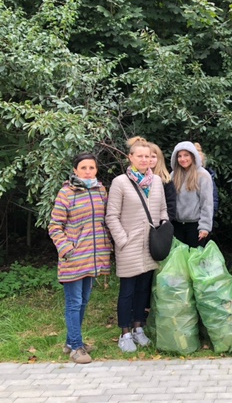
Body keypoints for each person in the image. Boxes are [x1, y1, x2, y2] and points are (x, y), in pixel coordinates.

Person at [106, 137, 168, 353]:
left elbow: (162, 210)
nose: (143, 159)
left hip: (150, 244)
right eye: (139, 156)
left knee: (143, 289)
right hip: (129, 245)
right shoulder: (120, 182)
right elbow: (111, 216)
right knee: (127, 291)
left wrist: (163, 231)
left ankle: (138, 327)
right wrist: (122, 240)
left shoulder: (157, 182)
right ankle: (124, 333)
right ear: (130, 157)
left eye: (146, 156)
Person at [49, 152, 112, 364]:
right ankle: (77, 347)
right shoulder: (66, 193)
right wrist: (66, 248)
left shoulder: (100, 190)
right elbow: (55, 226)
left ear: (96, 170)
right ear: (75, 170)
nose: (88, 172)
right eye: (83, 168)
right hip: (74, 257)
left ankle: (71, 342)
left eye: (91, 168)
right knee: (74, 303)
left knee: (83, 301)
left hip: (93, 257)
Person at [169, 141, 214, 248]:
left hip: (195, 225)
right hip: (177, 224)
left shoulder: (203, 175)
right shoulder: (173, 175)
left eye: (186, 155)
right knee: (178, 260)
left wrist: (205, 227)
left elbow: (207, 203)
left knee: (194, 260)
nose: (182, 159)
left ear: (193, 156)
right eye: (179, 156)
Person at [194, 142, 220, 231]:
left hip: (202, 222)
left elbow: (213, 201)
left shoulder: (207, 176)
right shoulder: (177, 175)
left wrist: (207, 221)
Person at [149, 143, 176, 221]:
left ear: (159, 158)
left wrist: (164, 224)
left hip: (160, 225)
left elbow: (171, 206)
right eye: (148, 156)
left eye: (153, 156)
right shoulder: (137, 179)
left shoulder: (166, 181)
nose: (150, 159)